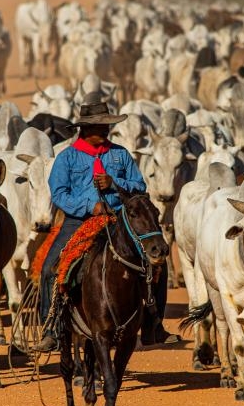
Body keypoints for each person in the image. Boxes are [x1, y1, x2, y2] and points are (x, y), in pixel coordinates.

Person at [36, 93, 176, 351]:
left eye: (106, 125)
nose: (105, 130)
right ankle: (51, 328)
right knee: (49, 269)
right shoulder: (67, 158)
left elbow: (139, 187)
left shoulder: (120, 155)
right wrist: (91, 205)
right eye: (100, 126)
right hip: (78, 221)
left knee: (157, 263)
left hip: (120, 219)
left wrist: (115, 183)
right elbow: (59, 194)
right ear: (86, 129)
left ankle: (153, 326)